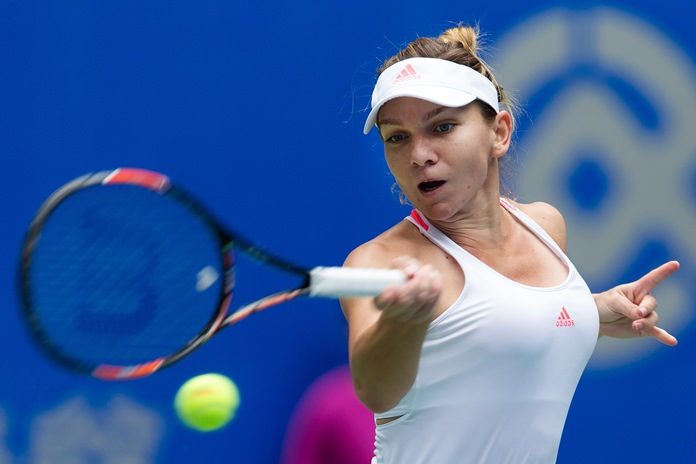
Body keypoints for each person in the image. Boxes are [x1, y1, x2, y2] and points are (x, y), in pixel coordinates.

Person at [340, 24, 680, 464]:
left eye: (442, 127)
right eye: (397, 137)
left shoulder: (546, 226)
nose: (419, 155)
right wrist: (403, 323)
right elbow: (375, 391)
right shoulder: (378, 262)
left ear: (498, 133)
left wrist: (590, 311)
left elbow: (492, 325)